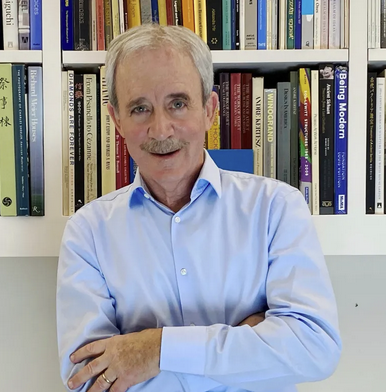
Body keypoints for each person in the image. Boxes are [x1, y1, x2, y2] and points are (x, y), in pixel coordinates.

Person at [56, 24, 342, 392]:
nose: (161, 130)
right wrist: (247, 345)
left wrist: (154, 349)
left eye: (178, 103)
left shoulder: (276, 209)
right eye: (140, 108)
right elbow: (89, 379)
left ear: (209, 109)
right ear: (116, 121)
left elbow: (314, 348)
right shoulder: (88, 232)